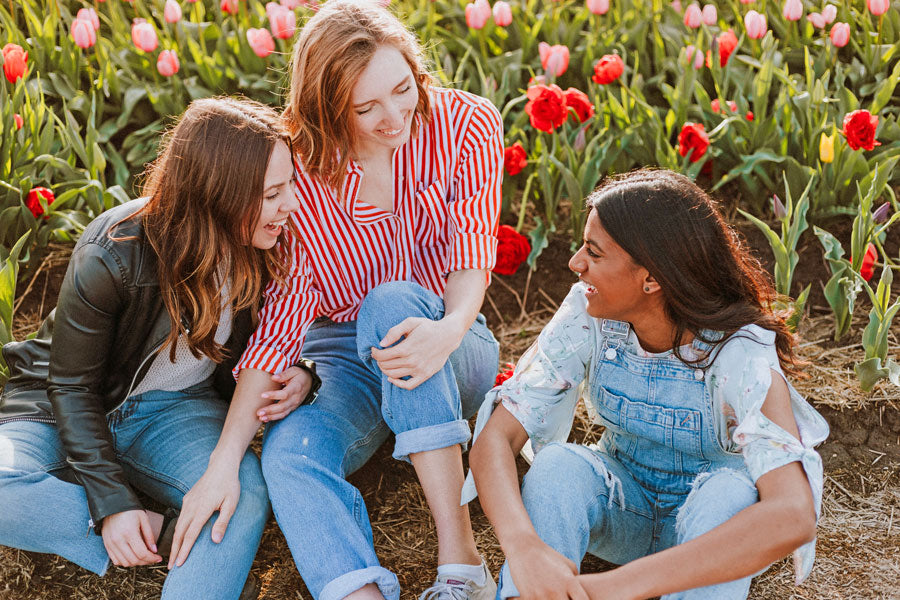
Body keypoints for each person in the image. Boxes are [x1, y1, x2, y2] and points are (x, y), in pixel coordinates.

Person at [192, 1, 502, 599]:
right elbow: (282, 322)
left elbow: (471, 255)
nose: (394, 117)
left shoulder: (466, 125)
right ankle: (359, 592)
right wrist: (226, 458)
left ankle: (462, 565)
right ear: (328, 108)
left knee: (391, 307)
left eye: (402, 89)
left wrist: (450, 328)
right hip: (343, 357)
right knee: (289, 456)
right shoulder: (300, 170)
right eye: (366, 108)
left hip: (450, 338)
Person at [0, 97, 317, 600]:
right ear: (218, 196)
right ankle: (160, 531)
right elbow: (72, 386)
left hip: (176, 412)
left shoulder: (275, 244)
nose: (291, 205)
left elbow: (285, 330)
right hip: (61, 406)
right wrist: (112, 504)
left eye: (290, 186)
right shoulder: (113, 251)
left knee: (241, 496)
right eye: (273, 193)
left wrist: (302, 370)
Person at [467, 169, 829, 600]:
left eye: (594, 253)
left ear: (652, 278)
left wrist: (614, 588)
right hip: (625, 508)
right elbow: (494, 440)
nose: (575, 262)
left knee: (730, 492)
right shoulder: (587, 312)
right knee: (558, 466)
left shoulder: (741, 354)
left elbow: (792, 514)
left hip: (710, 537)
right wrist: (524, 547)